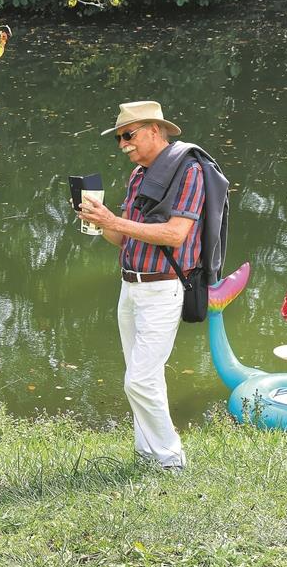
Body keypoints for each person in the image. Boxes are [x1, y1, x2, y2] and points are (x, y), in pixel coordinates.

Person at [77, 100, 226, 471]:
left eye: (129, 135)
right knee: (147, 376)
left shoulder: (189, 171)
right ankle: (146, 453)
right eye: (119, 139)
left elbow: (176, 235)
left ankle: (171, 460)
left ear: (155, 131)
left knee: (139, 380)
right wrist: (98, 220)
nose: (123, 144)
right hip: (131, 288)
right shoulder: (140, 175)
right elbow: (122, 238)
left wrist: (116, 220)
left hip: (164, 289)